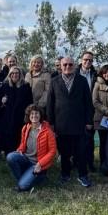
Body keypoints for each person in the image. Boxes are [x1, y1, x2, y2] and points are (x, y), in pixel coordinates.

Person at [46, 56, 94, 186]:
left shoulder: (82, 81)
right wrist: (50, 123)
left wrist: (89, 121)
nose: (68, 67)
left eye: (70, 64)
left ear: (74, 65)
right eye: (65, 64)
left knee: (81, 152)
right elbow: (50, 103)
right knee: (64, 152)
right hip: (61, 124)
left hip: (79, 123)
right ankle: (65, 174)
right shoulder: (54, 81)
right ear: (61, 66)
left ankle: (83, 175)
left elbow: (88, 103)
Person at [7, 105, 57, 192]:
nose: (34, 116)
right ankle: (27, 178)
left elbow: (52, 151)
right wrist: (20, 150)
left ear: (40, 115)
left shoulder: (47, 131)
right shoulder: (26, 128)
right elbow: (23, 144)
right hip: (26, 159)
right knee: (10, 157)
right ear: (29, 116)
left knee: (22, 186)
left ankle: (39, 177)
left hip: (37, 164)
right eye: (32, 114)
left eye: (37, 113)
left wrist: (40, 164)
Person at [0, 65, 34, 160]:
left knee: (19, 136)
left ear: (20, 75)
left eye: (17, 73)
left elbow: (30, 102)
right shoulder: (4, 86)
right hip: (6, 117)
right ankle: (7, 155)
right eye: (12, 73)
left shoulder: (26, 86)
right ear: (9, 75)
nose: (14, 75)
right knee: (7, 136)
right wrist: (2, 101)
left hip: (20, 117)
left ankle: (19, 155)